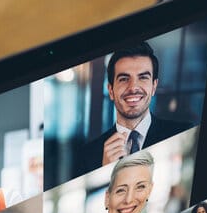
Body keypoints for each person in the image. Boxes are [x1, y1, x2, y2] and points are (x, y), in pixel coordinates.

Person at [75, 42, 193, 177]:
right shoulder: (87, 155)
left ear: (154, 87)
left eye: (143, 77)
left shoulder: (183, 135)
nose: (133, 87)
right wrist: (105, 173)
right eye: (124, 79)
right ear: (111, 90)